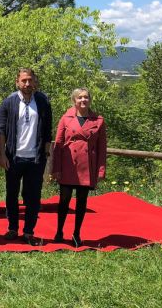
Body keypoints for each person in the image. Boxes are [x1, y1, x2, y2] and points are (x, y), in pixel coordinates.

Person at [0, 68, 52, 246]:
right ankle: (13, 227)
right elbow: (1, 130)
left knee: (33, 196)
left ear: (35, 81)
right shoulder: (8, 102)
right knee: (11, 194)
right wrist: (2, 154)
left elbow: (47, 128)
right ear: (17, 82)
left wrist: (46, 152)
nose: (27, 84)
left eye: (30, 80)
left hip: (35, 158)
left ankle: (29, 231)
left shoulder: (43, 101)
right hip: (14, 157)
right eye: (24, 81)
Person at [52, 88, 107, 247]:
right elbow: (58, 145)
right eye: (80, 98)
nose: (83, 100)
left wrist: (101, 169)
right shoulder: (65, 118)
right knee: (64, 200)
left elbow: (102, 148)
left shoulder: (99, 120)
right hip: (68, 163)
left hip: (86, 166)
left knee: (81, 201)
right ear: (74, 100)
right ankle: (59, 231)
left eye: (86, 97)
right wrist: (56, 168)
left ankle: (76, 234)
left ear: (90, 100)